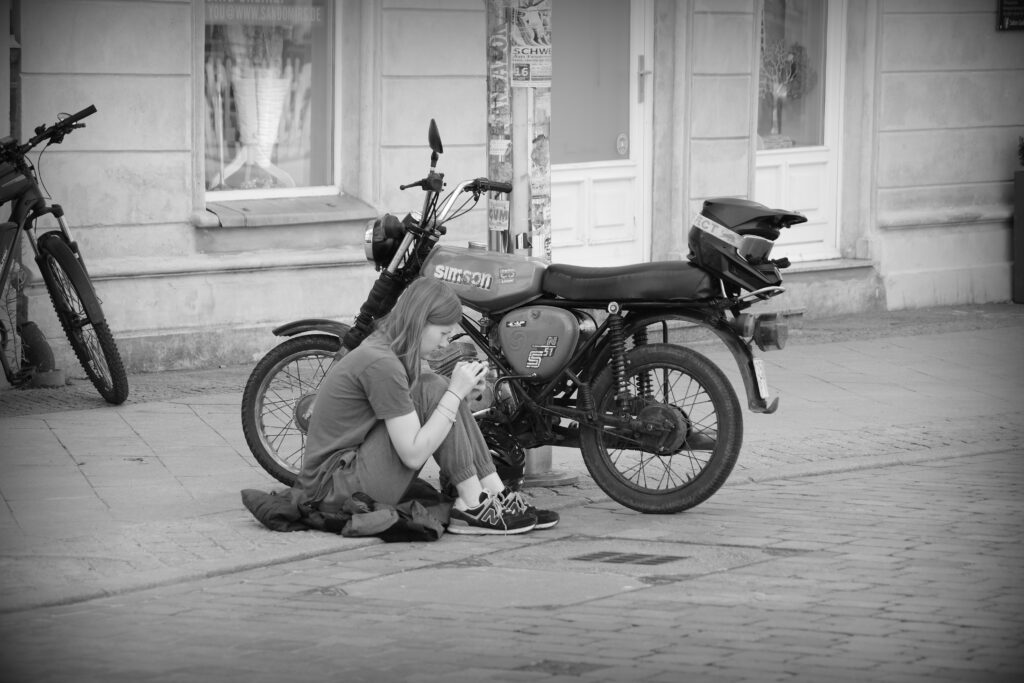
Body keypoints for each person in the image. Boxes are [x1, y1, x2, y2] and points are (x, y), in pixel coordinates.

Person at [292, 276, 559, 535]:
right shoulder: (381, 363)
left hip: (345, 475)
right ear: (419, 322)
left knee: (437, 387)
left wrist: (459, 395)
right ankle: (472, 502)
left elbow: (428, 417)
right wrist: (454, 393)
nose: (445, 343)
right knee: (437, 387)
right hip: (331, 490)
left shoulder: (386, 351)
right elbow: (413, 454)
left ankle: (494, 492)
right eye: (443, 333)